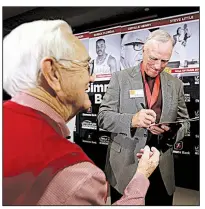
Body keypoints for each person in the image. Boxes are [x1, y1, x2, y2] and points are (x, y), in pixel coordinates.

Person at [3, 19, 160, 206]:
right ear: (52, 74)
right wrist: (141, 176)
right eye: (86, 67)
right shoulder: (79, 177)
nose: (92, 77)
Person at [97, 29, 190, 205]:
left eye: (165, 61)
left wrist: (171, 132)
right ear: (143, 51)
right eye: (153, 58)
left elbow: (184, 122)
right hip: (126, 168)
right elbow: (103, 117)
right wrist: (132, 120)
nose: (158, 66)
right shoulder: (120, 79)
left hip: (161, 168)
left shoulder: (175, 84)